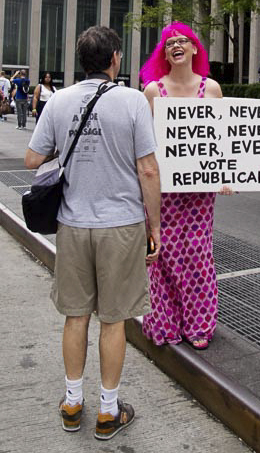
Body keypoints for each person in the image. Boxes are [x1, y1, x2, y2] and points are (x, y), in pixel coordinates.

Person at [24, 26, 161, 441]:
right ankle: (107, 411)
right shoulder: (133, 100)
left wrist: (70, 147)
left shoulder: (60, 99)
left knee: (75, 316)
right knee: (115, 320)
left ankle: (71, 403)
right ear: (115, 58)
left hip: (72, 223)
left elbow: (32, 158)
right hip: (120, 226)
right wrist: (154, 226)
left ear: (80, 59)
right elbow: (149, 169)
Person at [140, 22, 230, 351]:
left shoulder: (212, 90)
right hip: (162, 189)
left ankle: (200, 323)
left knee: (197, 253)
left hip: (200, 191)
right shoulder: (153, 91)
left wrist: (226, 176)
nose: (176, 45)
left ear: (194, 49)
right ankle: (165, 321)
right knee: (162, 256)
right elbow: (144, 143)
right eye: (169, 43)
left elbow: (222, 141)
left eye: (183, 41)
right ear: (165, 53)